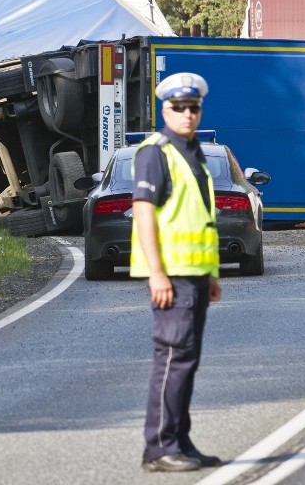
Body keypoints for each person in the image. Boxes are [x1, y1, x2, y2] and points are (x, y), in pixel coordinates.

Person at [131, 72, 223, 473]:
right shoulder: (156, 152)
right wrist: (157, 273)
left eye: (194, 108)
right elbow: (144, 215)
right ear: (164, 110)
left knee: (186, 361)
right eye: (179, 108)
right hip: (172, 275)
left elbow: (200, 217)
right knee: (171, 359)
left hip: (196, 274)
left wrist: (213, 273)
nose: (188, 114)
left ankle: (180, 442)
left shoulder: (194, 151)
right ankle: (159, 448)